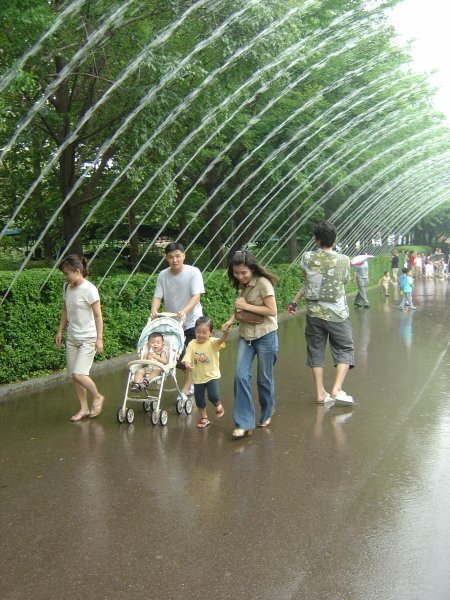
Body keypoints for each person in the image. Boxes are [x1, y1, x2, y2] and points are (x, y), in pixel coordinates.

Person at [289, 220, 354, 405]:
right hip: (337, 314)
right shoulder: (344, 260)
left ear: (316, 240)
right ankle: (337, 388)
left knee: (316, 351)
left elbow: (309, 282)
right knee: (344, 349)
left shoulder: (307, 257)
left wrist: (294, 302)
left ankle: (320, 393)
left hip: (314, 314)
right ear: (335, 239)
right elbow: (345, 281)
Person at [222, 250, 278, 438]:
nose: (240, 276)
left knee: (264, 379)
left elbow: (272, 310)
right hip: (246, 335)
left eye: (243, 273)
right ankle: (244, 423)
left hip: (266, 334)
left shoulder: (263, 283)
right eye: (236, 273)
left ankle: (267, 410)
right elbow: (240, 307)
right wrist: (231, 320)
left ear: (252, 269)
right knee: (240, 377)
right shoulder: (241, 284)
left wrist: (246, 306)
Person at [150, 242, 205, 400]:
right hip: (172, 323)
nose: (174, 260)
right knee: (173, 357)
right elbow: (157, 296)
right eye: (170, 257)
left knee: (189, 356)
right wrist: (154, 310)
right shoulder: (163, 275)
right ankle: (192, 377)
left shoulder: (193, 272)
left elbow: (196, 296)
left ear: (184, 255)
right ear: (166, 258)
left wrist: (184, 311)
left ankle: (187, 389)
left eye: (178, 256)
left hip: (191, 321)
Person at [55, 254, 105, 421]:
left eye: (67, 274)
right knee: (74, 375)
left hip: (88, 338)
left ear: (77, 271)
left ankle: (97, 396)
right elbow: (65, 310)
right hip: (72, 337)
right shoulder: (67, 287)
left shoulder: (90, 289)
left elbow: (98, 315)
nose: (65, 277)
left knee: (79, 373)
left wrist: (99, 339)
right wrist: (60, 331)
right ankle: (83, 408)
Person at [182, 316, 228, 429]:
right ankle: (204, 418)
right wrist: (187, 363)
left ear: (210, 333)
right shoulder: (192, 344)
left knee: (213, 396)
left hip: (212, 376)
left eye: (204, 333)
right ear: (195, 331)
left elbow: (220, 341)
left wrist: (225, 334)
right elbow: (187, 356)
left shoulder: (212, 342)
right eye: (198, 332)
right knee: (199, 400)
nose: (201, 335)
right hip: (197, 378)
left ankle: (218, 404)